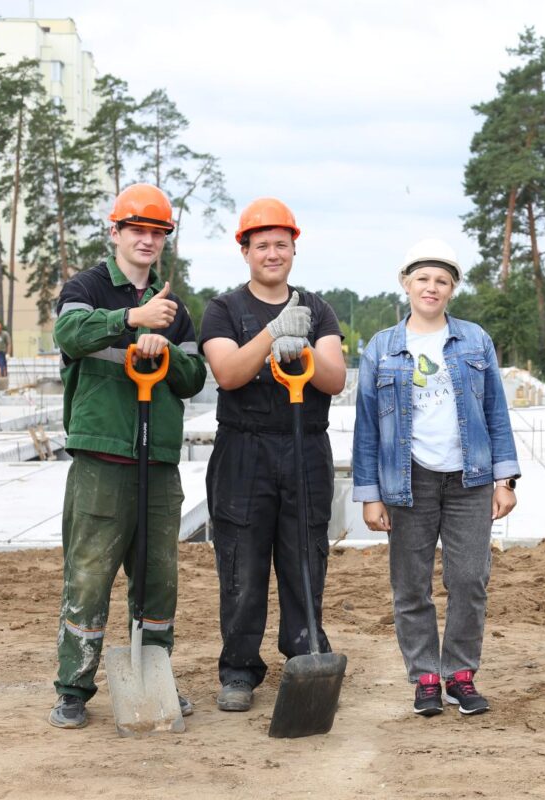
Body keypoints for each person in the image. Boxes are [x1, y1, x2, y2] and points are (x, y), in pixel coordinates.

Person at [48, 183, 206, 729]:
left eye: (156, 233)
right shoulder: (88, 286)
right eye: (136, 230)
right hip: (102, 457)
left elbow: (192, 378)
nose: (146, 240)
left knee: (159, 577)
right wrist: (130, 321)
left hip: (156, 461)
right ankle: (73, 687)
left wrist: (164, 349)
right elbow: (68, 332)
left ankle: (154, 671)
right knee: (89, 574)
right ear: (115, 232)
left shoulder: (174, 307)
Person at [353, 238, 519, 717]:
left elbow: (495, 411)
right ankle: (426, 677)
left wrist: (505, 479)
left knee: (469, 579)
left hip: (470, 478)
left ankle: (460, 675)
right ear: (406, 284)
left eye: (441, 281)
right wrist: (370, 495)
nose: (431, 287)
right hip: (408, 480)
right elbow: (367, 426)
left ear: (452, 289)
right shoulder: (382, 348)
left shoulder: (474, 340)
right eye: (422, 278)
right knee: (411, 583)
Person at [199, 198, 347, 712]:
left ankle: (305, 654)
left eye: (281, 244)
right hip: (243, 448)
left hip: (304, 445)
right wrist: (273, 332)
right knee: (241, 561)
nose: (272, 253)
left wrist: (303, 349)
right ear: (245, 251)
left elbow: (334, 377)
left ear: (294, 249)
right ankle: (239, 669)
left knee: (305, 556)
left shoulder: (319, 308)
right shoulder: (224, 310)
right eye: (261, 244)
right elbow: (229, 373)